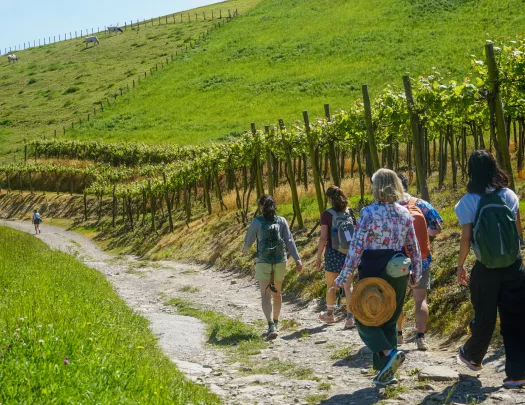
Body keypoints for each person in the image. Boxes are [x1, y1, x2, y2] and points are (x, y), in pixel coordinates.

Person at [335, 168, 422, 386]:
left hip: (373, 268)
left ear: (377, 187)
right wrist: (417, 273)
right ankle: (387, 372)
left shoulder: (368, 213)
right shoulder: (405, 213)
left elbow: (357, 245)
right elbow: (413, 246)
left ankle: (389, 353)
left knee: (364, 316)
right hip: (398, 269)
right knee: (389, 318)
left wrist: (345, 274)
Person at [455, 150, 525, 389]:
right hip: (514, 265)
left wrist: (461, 265)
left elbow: (466, 239)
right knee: (515, 318)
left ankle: (473, 357)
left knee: (484, 314)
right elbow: (517, 231)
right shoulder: (509, 195)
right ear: (495, 168)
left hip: (485, 267)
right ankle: (517, 374)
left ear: (471, 172)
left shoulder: (467, 202)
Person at [242, 195, 303, 339]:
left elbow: (248, 242)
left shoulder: (257, 222)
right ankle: (276, 321)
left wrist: (244, 250)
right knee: (277, 292)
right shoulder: (282, 221)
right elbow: (289, 241)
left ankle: (270, 325)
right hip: (280, 260)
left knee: (265, 294)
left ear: (260, 206)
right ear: (274, 206)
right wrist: (298, 259)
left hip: (263, 261)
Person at [396, 173, 443, 351]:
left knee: (397, 298)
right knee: (420, 299)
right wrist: (425, 237)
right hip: (421, 259)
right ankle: (421, 338)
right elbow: (437, 226)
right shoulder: (420, 204)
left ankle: (398, 334)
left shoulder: (390, 206)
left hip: (397, 259)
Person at [316, 186, 357, 329]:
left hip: (333, 253)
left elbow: (323, 238)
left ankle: (330, 314)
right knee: (348, 286)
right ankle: (350, 318)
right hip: (349, 254)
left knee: (331, 285)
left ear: (329, 198)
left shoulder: (326, 215)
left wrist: (318, 256)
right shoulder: (349, 212)